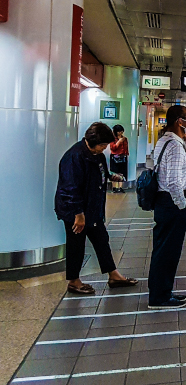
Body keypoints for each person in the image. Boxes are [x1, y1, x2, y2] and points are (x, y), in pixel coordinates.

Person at [54, 122, 138, 295]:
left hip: (92, 209)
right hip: (75, 211)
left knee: (101, 240)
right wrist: (78, 214)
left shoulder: (96, 154)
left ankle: (113, 275)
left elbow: (100, 172)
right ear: (91, 141)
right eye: (102, 145)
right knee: (76, 244)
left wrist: (110, 176)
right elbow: (70, 188)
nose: (104, 149)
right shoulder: (74, 157)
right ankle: (74, 281)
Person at [148, 105, 186, 309]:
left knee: (163, 249)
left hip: (164, 201)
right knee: (168, 251)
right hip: (172, 203)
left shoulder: (166, 141)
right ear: (178, 121)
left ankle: (161, 291)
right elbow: (175, 182)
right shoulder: (174, 146)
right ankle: (159, 297)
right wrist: (182, 206)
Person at [108, 124, 128, 193]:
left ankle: (120, 187)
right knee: (114, 172)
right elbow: (113, 148)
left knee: (122, 172)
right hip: (114, 157)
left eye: (121, 131)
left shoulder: (125, 139)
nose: (121, 133)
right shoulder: (112, 139)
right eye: (119, 131)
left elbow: (126, 148)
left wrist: (126, 154)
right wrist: (119, 141)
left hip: (123, 157)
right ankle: (114, 187)